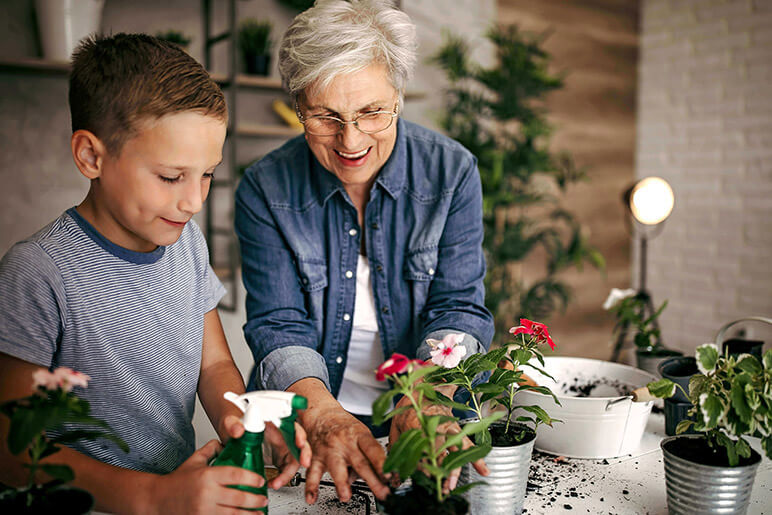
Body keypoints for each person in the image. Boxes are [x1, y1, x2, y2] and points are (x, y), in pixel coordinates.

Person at [0, 33, 310, 513]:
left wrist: (242, 424)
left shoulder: (187, 242)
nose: (194, 200)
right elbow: (12, 451)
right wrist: (150, 496)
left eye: (206, 173)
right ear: (91, 156)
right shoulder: (38, 272)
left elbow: (212, 365)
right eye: (171, 176)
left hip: (174, 498)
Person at [234, 0, 494, 504]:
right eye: (325, 116)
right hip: (313, 416)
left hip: (428, 409)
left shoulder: (452, 172)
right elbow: (278, 325)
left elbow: (459, 306)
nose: (350, 140)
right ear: (297, 107)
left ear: (398, 95)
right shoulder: (265, 187)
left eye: (372, 112)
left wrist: (424, 398)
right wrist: (324, 415)